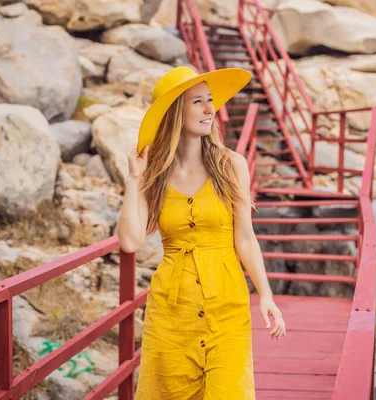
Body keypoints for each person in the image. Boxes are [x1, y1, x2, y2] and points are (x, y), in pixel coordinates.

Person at [117, 65, 286, 399]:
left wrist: (265, 294)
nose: (210, 109)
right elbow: (129, 240)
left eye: (210, 101)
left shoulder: (231, 165)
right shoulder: (155, 175)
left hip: (227, 306)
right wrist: (135, 180)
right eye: (198, 102)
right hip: (171, 311)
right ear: (175, 112)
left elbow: (245, 238)